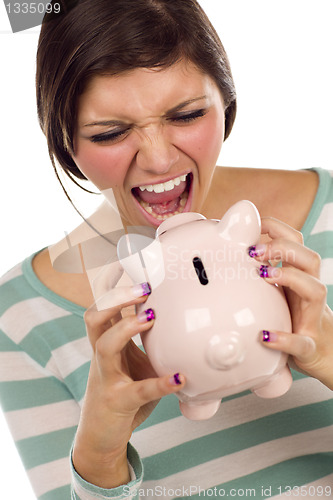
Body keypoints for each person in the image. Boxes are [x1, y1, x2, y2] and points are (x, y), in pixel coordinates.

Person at [0, 0, 332, 499]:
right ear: (64, 139)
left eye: (188, 115)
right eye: (111, 132)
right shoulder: (22, 314)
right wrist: (99, 457)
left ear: (227, 102)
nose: (157, 159)